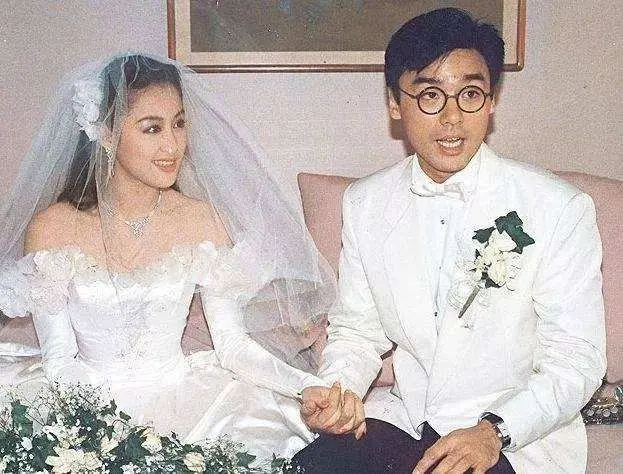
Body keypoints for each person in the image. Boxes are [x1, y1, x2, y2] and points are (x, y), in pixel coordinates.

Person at [292, 8, 606, 473]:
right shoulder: (365, 202)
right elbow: (357, 329)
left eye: (471, 94)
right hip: (409, 420)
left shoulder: (558, 208)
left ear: (491, 102)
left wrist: (494, 432)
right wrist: (341, 390)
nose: (453, 118)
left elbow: (577, 359)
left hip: (513, 437)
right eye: (430, 96)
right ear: (395, 104)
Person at [0, 52, 336, 461]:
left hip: (188, 402)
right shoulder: (52, 228)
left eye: (178, 124)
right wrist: (106, 437)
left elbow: (232, 345)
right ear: (105, 134)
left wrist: (304, 385)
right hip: (85, 401)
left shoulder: (202, 220)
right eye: (152, 128)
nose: (173, 145)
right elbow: (59, 358)